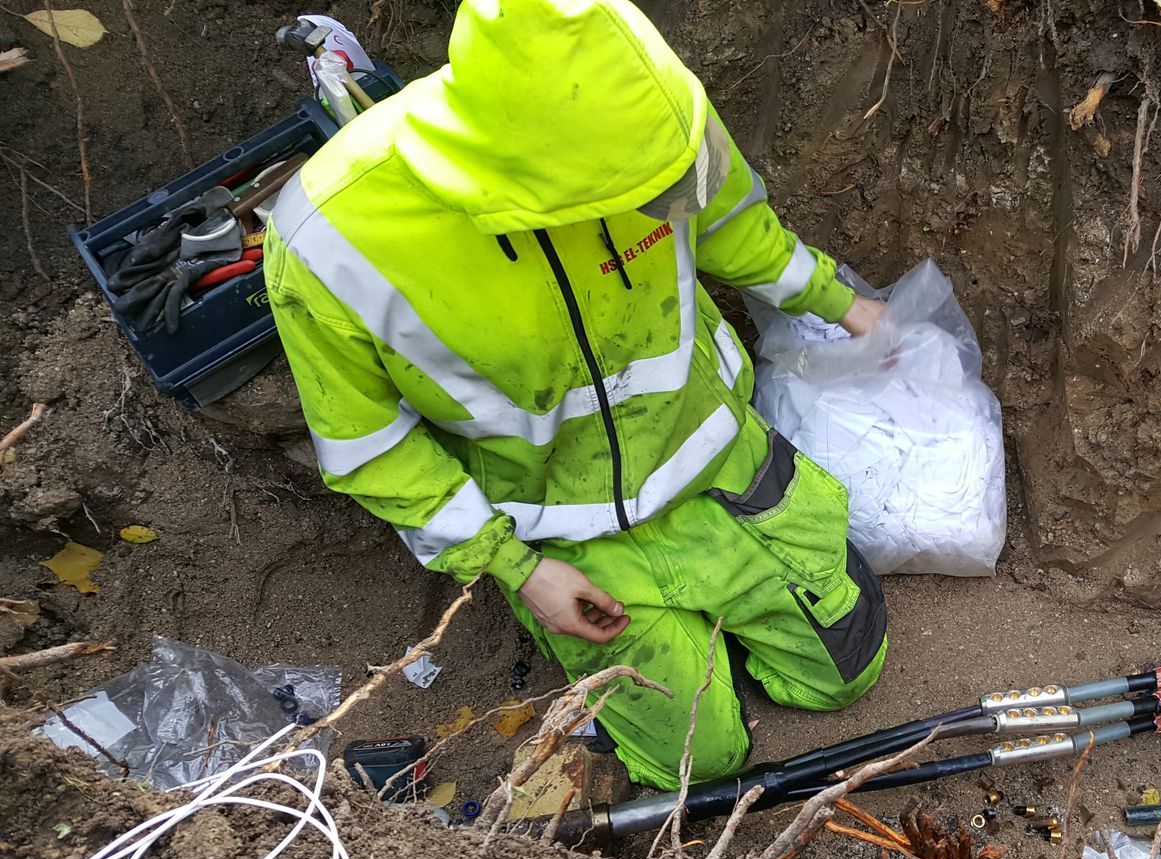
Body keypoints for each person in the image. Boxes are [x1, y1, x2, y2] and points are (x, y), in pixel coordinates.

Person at [263, 0, 889, 790]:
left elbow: (728, 220)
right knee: (697, 768)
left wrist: (845, 305)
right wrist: (522, 571)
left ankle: (732, 617)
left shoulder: (658, 112)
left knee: (845, 678)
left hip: (718, 468)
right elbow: (371, 451)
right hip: (565, 537)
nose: (656, 199)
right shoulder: (331, 236)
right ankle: (656, 655)